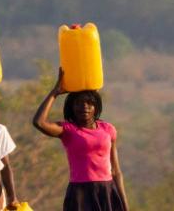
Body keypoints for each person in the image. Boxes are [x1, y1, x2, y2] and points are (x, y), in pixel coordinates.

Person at [32, 68, 127, 211]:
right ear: (72, 107)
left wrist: (124, 204)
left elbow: (116, 171)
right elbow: (39, 122)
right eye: (79, 103)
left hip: (106, 191)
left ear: (96, 107)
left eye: (89, 103)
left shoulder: (108, 129)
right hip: (80, 192)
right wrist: (55, 92)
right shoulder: (68, 130)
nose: (84, 107)